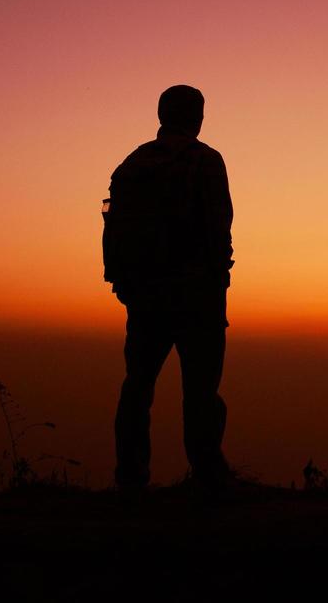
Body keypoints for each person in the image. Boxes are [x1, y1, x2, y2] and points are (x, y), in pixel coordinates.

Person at [103, 84, 233, 492]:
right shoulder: (206, 160)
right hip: (196, 294)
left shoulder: (133, 164)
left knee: (138, 386)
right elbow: (219, 225)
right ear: (196, 116)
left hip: (145, 295)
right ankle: (207, 474)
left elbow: (112, 226)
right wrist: (218, 276)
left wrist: (121, 281)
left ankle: (131, 478)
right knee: (200, 390)